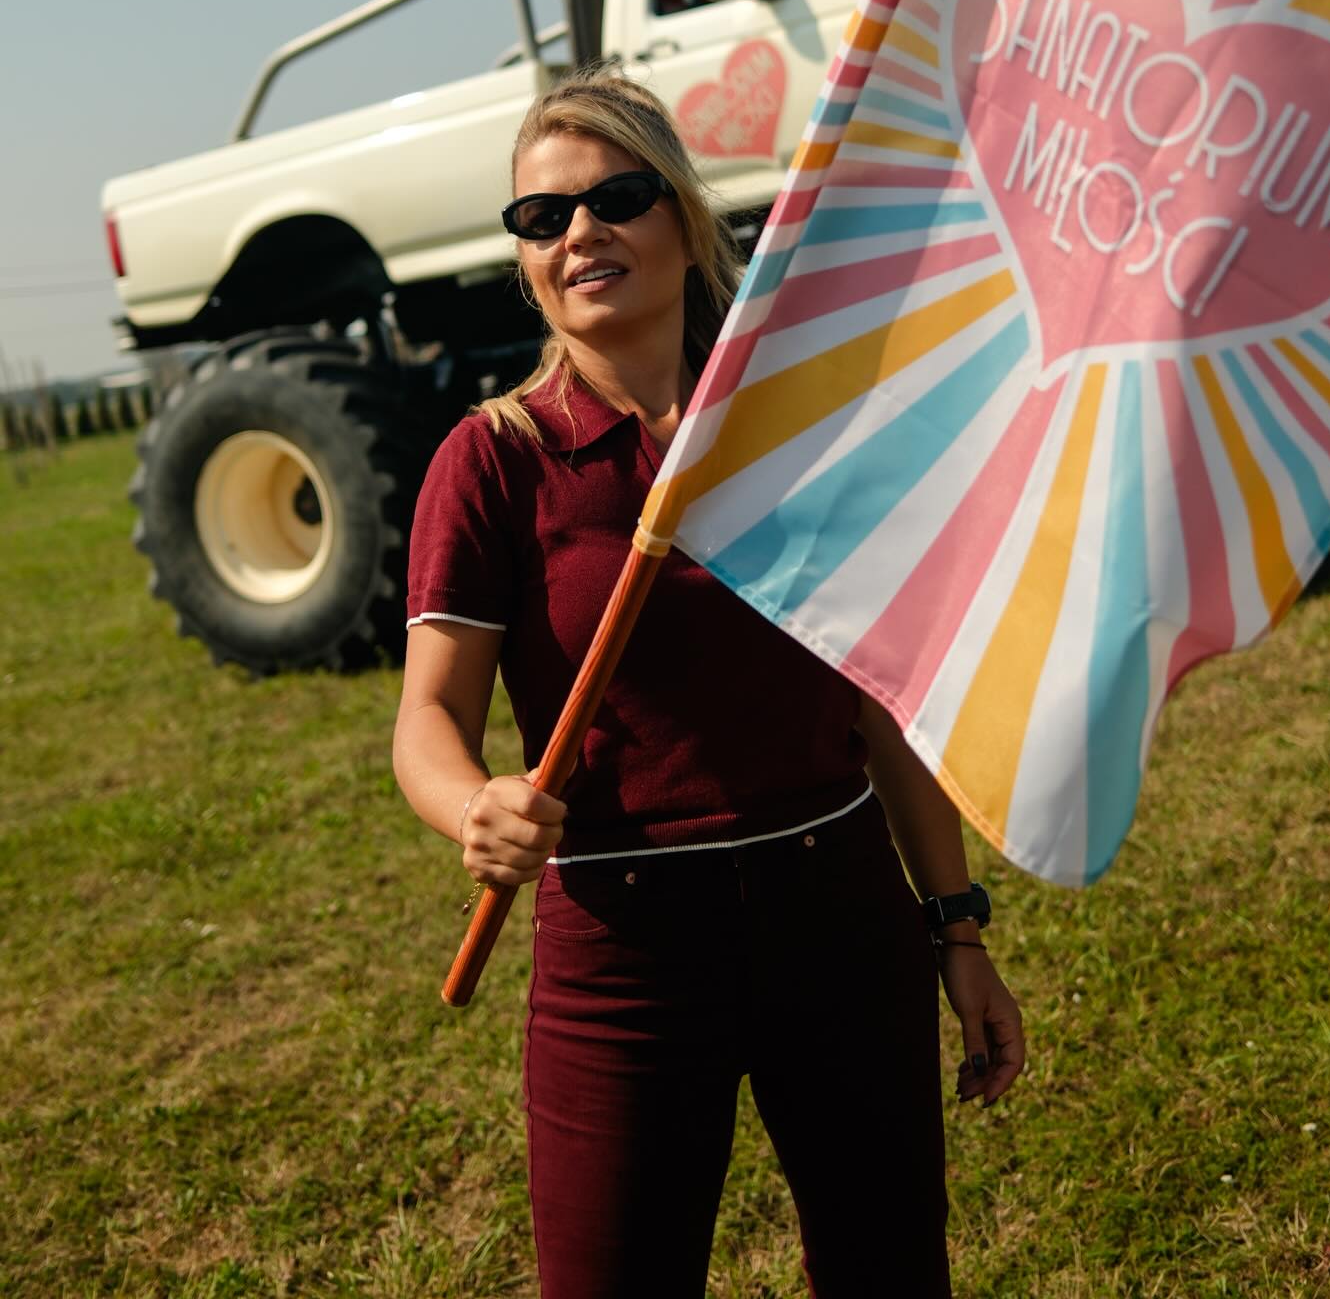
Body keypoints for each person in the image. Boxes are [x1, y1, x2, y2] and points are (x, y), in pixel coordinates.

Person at [392, 69, 1025, 1299]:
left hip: (835, 909)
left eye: (615, 197)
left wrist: (956, 930)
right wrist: (472, 804)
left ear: (682, 215)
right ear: (524, 259)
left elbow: (879, 700)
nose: (578, 233)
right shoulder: (491, 462)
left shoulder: (798, 419)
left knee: (891, 1272)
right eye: (540, 218)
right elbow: (427, 719)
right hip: (620, 946)